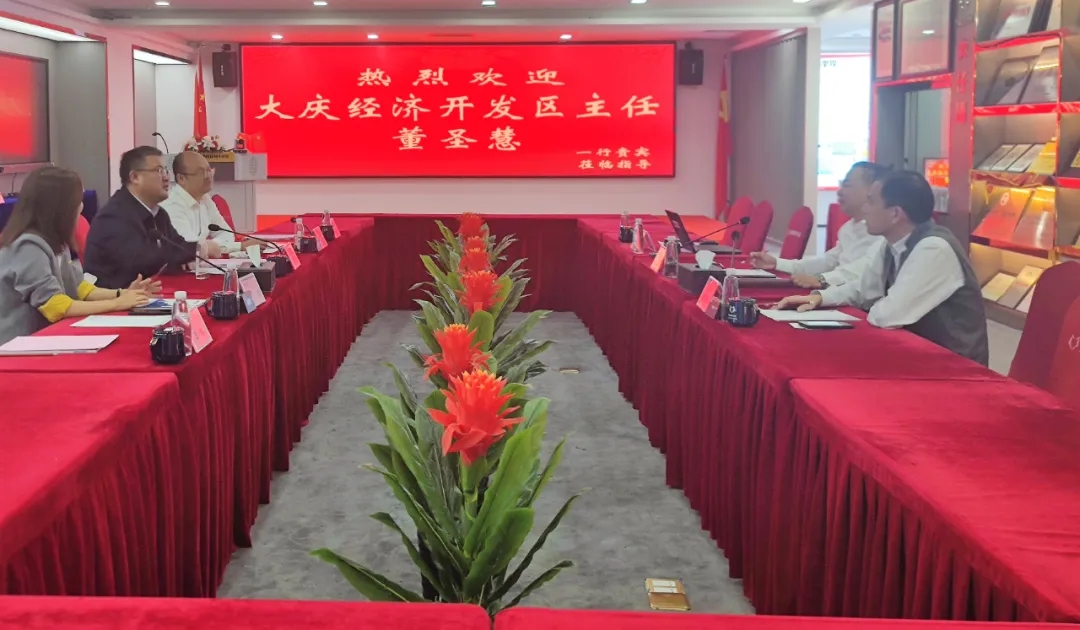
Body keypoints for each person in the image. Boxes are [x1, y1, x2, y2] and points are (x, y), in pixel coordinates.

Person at [775, 170, 989, 365]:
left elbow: (888, 315)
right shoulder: (890, 244)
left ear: (895, 213)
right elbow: (863, 289)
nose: (864, 209)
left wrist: (873, 302)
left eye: (871, 202)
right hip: (916, 356)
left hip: (953, 368)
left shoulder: (933, 248)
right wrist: (819, 298)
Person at [0, 167, 155, 345]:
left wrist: (122, 294)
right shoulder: (28, 246)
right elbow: (54, 306)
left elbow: (80, 288)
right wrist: (118, 304)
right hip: (15, 346)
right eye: (77, 201)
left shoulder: (57, 242)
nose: (81, 207)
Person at [749, 162, 886, 289]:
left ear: (872, 190)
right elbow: (827, 262)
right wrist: (777, 263)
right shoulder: (849, 228)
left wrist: (821, 280)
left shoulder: (883, 232)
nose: (839, 192)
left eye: (847, 185)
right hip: (839, 294)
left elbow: (860, 272)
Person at [83, 146, 197, 289]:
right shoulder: (114, 216)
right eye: (158, 171)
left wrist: (191, 251)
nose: (167, 178)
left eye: (166, 171)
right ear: (135, 177)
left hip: (146, 292)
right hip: (113, 298)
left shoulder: (159, 213)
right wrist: (195, 250)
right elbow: (142, 263)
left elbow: (177, 246)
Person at [161, 151, 244, 257]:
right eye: (200, 172)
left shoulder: (205, 198)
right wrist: (208, 248)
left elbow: (227, 234)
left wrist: (210, 247)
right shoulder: (172, 206)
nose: (208, 176)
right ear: (181, 179)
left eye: (209, 170)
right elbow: (190, 248)